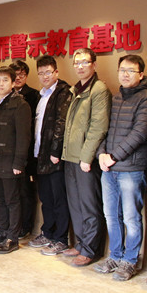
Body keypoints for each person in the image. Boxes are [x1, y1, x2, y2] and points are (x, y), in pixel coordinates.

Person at [93, 55, 147, 281]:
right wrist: (101, 154)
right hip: (109, 168)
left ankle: (130, 261)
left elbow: (140, 133)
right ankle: (115, 255)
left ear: (141, 74)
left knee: (131, 217)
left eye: (131, 70)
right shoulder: (116, 97)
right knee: (111, 215)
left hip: (131, 169)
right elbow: (106, 129)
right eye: (122, 70)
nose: (125, 74)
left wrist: (113, 156)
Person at [61, 47, 111, 267]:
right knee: (76, 204)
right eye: (77, 62)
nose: (80, 66)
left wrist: (86, 157)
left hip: (85, 159)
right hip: (70, 157)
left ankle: (91, 250)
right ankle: (81, 243)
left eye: (84, 62)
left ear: (94, 65)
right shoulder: (75, 89)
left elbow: (98, 127)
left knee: (90, 205)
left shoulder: (98, 89)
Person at [0, 66, 31, 254]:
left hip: (10, 161)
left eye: (5, 80)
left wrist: (19, 162)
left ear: (12, 83)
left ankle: (12, 238)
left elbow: (24, 137)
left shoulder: (20, 104)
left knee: (12, 200)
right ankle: (2, 232)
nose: (1, 83)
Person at [29, 56, 72, 256]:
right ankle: (48, 232)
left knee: (59, 199)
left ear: (56, 72)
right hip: (41, 154)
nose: (44, 76)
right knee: (46, 198)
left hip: (54, 157)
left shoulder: (63, 92)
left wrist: (56, 151)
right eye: (41, 73)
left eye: (48, 72)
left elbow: (61, 123)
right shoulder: (42, 95)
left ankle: (61, 239)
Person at [9, 59, 39, 239]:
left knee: (24, 191)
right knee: (11, 192)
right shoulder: (4, 95)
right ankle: (12, 224)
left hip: (25, 151)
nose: (18, 78)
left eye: (22, 74)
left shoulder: (34, 95)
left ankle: (25, 226)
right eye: (15, 75)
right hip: (7, 152)